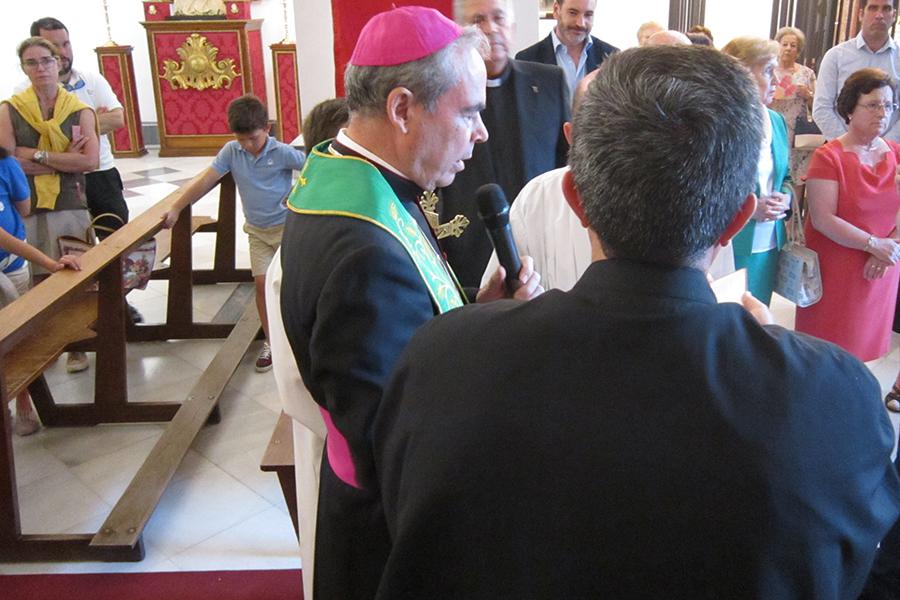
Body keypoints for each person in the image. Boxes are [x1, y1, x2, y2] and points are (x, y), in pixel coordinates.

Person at [373, 45, 900, 598]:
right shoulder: (833, 398)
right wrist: (784, 365)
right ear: (738, 219)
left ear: (576, 199)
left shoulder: (440, 360)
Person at [277, 7, 541, 599]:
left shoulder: (348, 180)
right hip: (389, 539)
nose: (483, 132)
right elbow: (406, 439)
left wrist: (476, 311)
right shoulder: (363, 251)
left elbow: (407, 343)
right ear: (401, 108)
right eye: (470, 111)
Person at [162, 94, 304, 373]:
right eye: (242, 140)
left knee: (291, 286)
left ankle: (298, 340)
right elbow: (205, 181)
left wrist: (296, 193)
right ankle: (271, 342)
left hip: (287, 229)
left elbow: (313, 168)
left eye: (254, 138)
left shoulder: (281, 152)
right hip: (257, 232)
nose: (248, 146)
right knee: (262, 286)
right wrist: (177, 207)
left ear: (267, 128)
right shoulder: (231, 152)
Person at [26, 17, 135, 373]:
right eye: (51, 48)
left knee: (118, 240)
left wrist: (82, 128)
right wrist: (64, 147)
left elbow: (118, 119)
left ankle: (118, 306)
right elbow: (21, 153)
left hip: (101, 174)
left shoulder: (90, 78)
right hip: (59, 185)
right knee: (71, 252)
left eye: (65, 45)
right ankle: (76, 338)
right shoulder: (20, 97)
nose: (61, 54)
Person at [439, 0, 571, 288]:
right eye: (478, 20)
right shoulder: (444, 90)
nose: (491, 29)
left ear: (512, 25)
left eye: (499, 18)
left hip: (543, 245)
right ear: (462, 32)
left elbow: (567, 163)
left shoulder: (549, 81)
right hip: (471, 250)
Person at [796, 68, 900, 407]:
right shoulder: (830, 156)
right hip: (836, 266)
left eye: (887, 105)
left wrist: (889, 249)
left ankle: (848, 405)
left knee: (866, 349)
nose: (882, 113)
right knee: (827, 348)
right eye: (872, 105)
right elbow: (824, 219)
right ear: (849, 109)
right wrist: (874, 245)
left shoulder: (897, 153)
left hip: (883, 265)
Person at [0, 38, 98, 277]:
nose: (40, 68)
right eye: (31, 63)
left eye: (46, 61)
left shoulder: (80, 110)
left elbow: (89, 162)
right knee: (37, 280)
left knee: (78, 275)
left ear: (58, 62)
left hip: (70, 202)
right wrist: (65, 161)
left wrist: (34, 154)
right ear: (23, 68)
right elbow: (8, 165)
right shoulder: (9, 110)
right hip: (27, 207)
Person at [0, 146, 80, 436]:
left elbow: (6, 237)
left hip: (11, 264)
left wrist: (51, 264)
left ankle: (24, 399)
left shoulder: (5, 164)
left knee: (20, 336)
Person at [722, 37, 791, 305]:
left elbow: (785, 176)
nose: (776, 80)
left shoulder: (776, 120)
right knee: (730, 317)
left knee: (759, 314)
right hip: (732, 240)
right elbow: (709, 187)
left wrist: (784, 198)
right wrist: (749, 209)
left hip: (770, 239)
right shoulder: (721, 121)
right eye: (767, 71)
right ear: (740, 74)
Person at [813, 0, 900, 142]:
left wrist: (882, 148)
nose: (879, 15)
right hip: (841, 153)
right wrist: (848, 145)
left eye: (886, 9)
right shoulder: (836, 56)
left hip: (890, 154)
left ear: (894, 15)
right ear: (860, 14)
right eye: (872, 8)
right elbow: (821, 108)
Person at [514, 0, 617, 96]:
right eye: (573, 13)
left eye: (588, 15)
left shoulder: (612, 58)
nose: (580, 23)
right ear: (556, 10)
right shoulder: (526, 60)